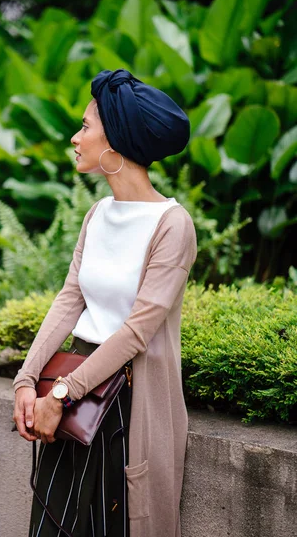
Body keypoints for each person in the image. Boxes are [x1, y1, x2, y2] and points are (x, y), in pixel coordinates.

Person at [12, 68, 197, 537]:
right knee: (54, 522)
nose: (75, 138)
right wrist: (26, 380)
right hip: (75, 392)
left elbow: (137, 331)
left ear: (114, 141)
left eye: (85, 126)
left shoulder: (173, 225)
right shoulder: (97, 214)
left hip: (126, 401)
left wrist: (59, 393)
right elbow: (70, 298)